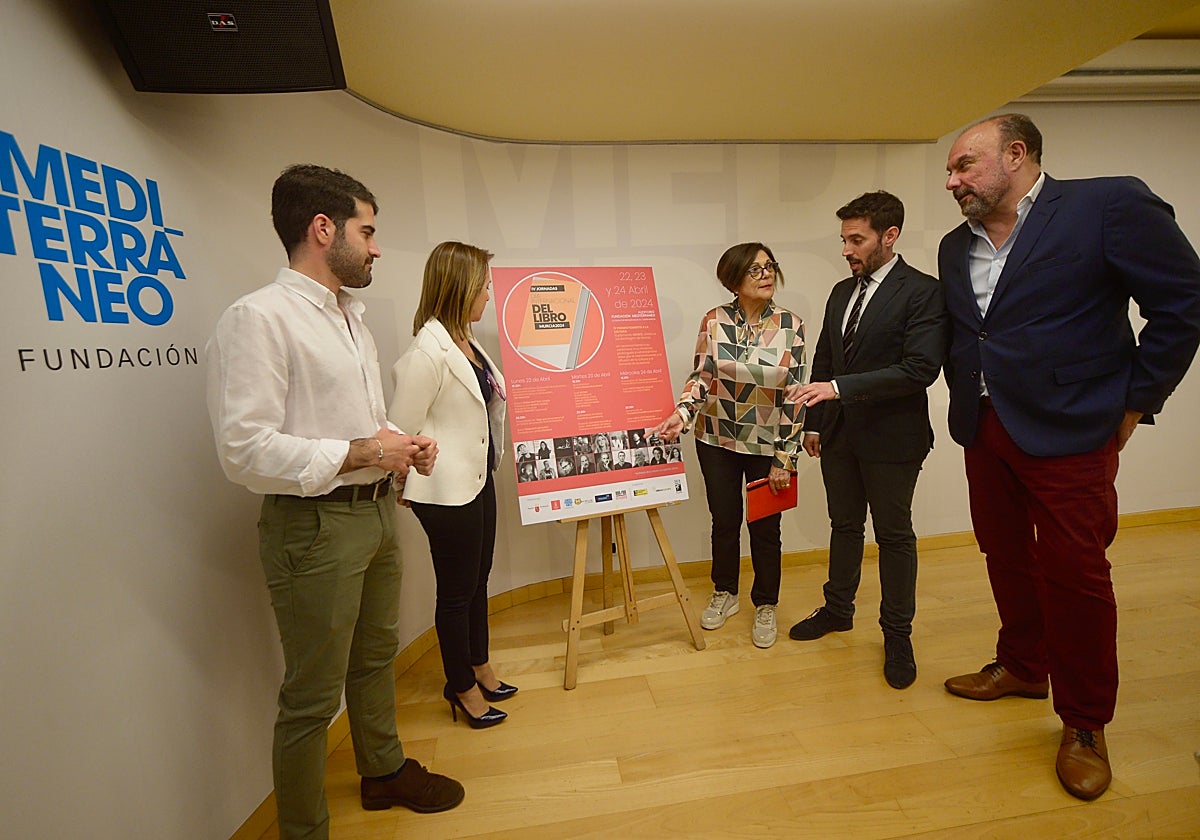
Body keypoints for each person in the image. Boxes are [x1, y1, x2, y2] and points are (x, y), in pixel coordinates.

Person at [938, 114, 1200, 800]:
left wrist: (1138, 400)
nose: (952, 180)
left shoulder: (1105, 205)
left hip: (1073, 429)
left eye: (965, 165)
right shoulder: (949, 245)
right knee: (1002, 549)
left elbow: (1182, 301)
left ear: (1016, 155)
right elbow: (975, 334)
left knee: (1076, 571)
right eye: (950, 170)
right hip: (985, 427)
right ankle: (1023, 664)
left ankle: (1085, 722)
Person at [206, 165, 463, 839]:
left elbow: (356, 427)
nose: (376, 247)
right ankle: (303, 830)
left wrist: (401, 448)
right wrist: (362, 453)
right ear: (323, 229)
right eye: (367, 230)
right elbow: (244, 450)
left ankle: (381, 769)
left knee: (376, 656)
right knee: (312, 698)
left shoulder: (353, 320)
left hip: (375, 513)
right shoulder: (258, 319)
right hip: (313, 527)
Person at [785, 191, 948, 690]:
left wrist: (836, 390)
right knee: (844, 525)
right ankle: (838, 609)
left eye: (856, 239)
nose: (846, 250)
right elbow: (826, 359)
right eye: (843, 239)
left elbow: (919, 369)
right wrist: (815, 422)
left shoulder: (923, 292)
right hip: (838, 435)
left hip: (893, 439)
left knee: (894, 536)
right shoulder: (841, 291)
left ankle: (897, 634)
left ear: (889, 236)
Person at [390, 241, 516, 731]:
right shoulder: (427, 351)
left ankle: (480, 665)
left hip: (477, 477)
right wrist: (405, 474)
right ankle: (460, 685)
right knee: (457, 590)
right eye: (484, 284)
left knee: (478, 577)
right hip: (445, 491)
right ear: (460, 286)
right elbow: (398, 428)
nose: (490, 292)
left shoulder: (464, 337)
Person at [654, 242, 806, 648]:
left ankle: (766, 603)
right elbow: (701, 378)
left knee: (765, 527)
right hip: (716, 438)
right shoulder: (714, 321)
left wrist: (785, 458)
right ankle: (725, 592)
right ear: (734, 279)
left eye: (769, 266)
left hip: (767, 444)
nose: (766, 275)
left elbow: (796, 394)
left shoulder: (792, 325)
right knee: (724, 521)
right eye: (755, 270)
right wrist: (682, 415)